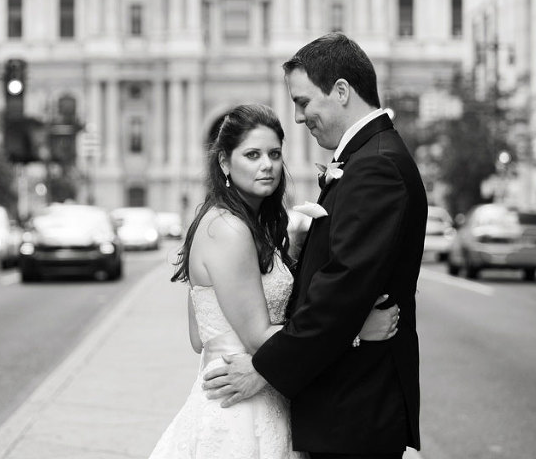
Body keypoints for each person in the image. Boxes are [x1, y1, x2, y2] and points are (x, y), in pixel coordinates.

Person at [202, 33, 428, 459]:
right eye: (252, 155)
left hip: (353, 410)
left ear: (341, 91)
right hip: (339, 405)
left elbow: (342, 287)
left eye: (304, 102)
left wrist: (264, 370)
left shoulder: (375, 166)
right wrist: (355, 329)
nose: (299, 117)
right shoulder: (368, 158)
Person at [148, 103, 400, 459]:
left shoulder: (239, 223)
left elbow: (198, 337)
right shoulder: (229, 230)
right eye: (252, 154)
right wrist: (355, 331)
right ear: (224, 163)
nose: (267, 164)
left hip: (251, 392)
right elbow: (256, 336)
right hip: (240, 409)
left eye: (274, 154)